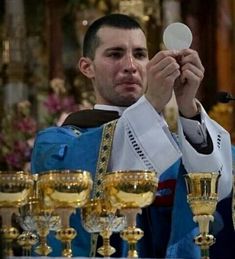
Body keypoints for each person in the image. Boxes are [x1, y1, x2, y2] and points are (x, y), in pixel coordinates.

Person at [31, 13, 233, 258]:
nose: (130, 65)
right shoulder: (55, 144)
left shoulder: (178, 143)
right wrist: (152, 103)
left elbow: (217, 187)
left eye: (139, 54)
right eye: (115, 54)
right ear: (87, 67)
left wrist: (188, 107)